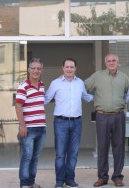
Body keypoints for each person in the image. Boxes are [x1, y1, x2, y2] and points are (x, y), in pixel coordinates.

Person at [45, 58, 93, 188]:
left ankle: (70, 179)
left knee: (73, 153)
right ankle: (60, 181)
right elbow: (46, 98)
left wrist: (101, 95)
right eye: (67, 67)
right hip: (61, 122)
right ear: (63, 68)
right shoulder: (55, 83)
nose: (69, 69)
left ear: (75, 68)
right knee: (60, 154)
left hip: (77, 122)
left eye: (72, 67)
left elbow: (86, 97)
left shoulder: (80, 83)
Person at [84, 53, 129, 187]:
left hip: (118, 116)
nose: (111, 62)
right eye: (109, 61)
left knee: (119, 147)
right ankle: (102, 177)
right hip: (102, 116)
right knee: (102, 147)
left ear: (118, 62)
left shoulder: (124, 78)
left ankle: (117, 177)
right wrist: (90, 98)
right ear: (105, 63)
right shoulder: (97, 76)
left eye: (114, 60)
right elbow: (82, 87)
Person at [15, 58, 46, 188]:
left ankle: (31, 183)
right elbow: (18, 106)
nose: (36, 71)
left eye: (38, 68)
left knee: (35, 158)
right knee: (27, 157)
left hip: (41, 128)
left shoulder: (42, 85)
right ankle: (24, 184)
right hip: (28, 129)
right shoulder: (23, 86)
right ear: (29, 70)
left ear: (41, 70)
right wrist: (22, 125)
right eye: (33, 68)